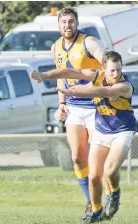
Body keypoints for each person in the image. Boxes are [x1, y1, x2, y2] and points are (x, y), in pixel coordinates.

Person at [30, 51, 136, 223]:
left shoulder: (124, 86)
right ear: (103, 68)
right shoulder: (97, 75)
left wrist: (72, 91)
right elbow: (71, 72)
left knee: (109, 170)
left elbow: (100, 91)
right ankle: (96, 212)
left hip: (122, 131)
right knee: (94, 176)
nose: (116, 74)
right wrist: (44, 75)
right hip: (102, 131)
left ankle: (115, 192)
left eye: (118, 69)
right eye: (112, 71)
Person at [51, 7, 110, 215]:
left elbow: (106, 62)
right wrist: (61, 102)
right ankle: (91, 202)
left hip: (96, 106)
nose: (68, 25)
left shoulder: (89, 42)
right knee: (77, 157)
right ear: (59, 25)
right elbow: (61, 74)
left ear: (77, 23)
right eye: (64, 22)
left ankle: (109, 198)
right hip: (74, 107)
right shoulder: (56, 47)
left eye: (71, 21)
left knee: (97, 158)